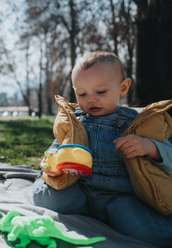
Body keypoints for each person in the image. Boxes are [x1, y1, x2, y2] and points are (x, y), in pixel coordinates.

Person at [32, 51, 172, 246]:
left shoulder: (137, 123)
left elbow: (169, 156)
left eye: (100, 92)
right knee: (44, 198)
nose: (91, 100)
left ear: (123, 88)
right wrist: (51, 162)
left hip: (119, 198)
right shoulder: (75, 121)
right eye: (82, 94)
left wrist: (149, 147)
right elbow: (57, 147)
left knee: (149, 232)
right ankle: (52, 190)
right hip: (78, 191)